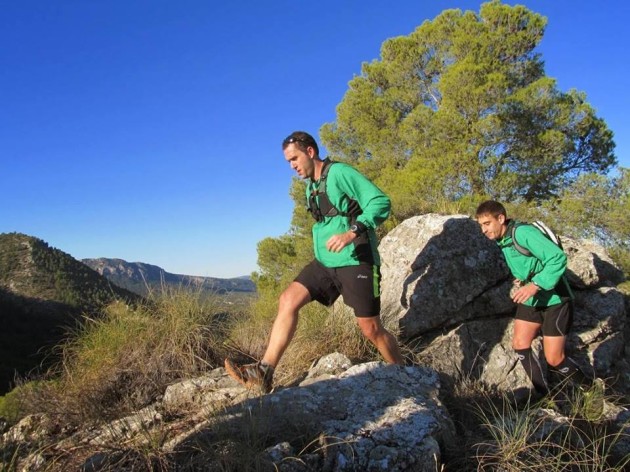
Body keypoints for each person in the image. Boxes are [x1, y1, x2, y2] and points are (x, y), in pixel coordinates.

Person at [225, 131, 404, 393]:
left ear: (310, 152)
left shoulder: (340, 173)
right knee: (288, 300)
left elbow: (380, 201)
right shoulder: (311, 185)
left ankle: (404, 376)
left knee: (370, 328)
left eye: (294, 159)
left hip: (356, 259)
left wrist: (351, 231)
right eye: (288, 162)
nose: (292, 166)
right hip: (325, 262)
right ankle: (264, 371)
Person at [475, 200, 586, 397]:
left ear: (500, 218)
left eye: (487, 223)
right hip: (532, 298)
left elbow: (557, 257)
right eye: (480, 225)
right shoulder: (504, 239)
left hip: (555, 299)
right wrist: (524, 277)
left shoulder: (523, 233)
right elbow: (530, 261)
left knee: (554, 358)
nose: (483, 230)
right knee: (520, 344)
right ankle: (545, 396)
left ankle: (590, 388)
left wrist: (535, 284)